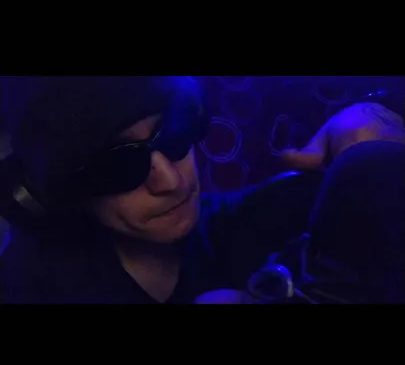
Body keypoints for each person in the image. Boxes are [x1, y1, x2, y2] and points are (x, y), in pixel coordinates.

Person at [0, 76, 404, 305]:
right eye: (118, 166)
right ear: (62, 190)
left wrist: (378, 113)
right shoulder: (31, 285)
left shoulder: (229, 222)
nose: (171, 182)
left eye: (175, 134)